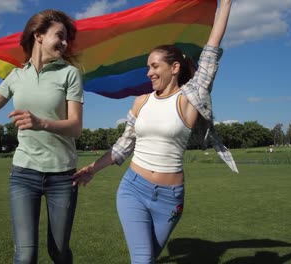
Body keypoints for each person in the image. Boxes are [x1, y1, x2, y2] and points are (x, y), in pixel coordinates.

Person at [72, 0, 235, 263]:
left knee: (150, 257)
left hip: (170, 199)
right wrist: (92, 168)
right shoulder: (141, 101)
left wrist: (225, 3)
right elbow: (123, 146)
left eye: (155, 66)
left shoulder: (191, 98)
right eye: (148, 67)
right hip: (133, 189)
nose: (149, 73)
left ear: (175, 68)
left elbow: (212, 49)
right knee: (143, 259)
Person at [0, 9, 83, 264]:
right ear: (39, 36)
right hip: (24, 174)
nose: (65, 43)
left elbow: (76, 127)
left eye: (66, 38)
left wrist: (41, 122)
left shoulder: (70, 74)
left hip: (62, 175)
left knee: (59, 252)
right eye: (60, 36)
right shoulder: (16, 76)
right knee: (25, 256)